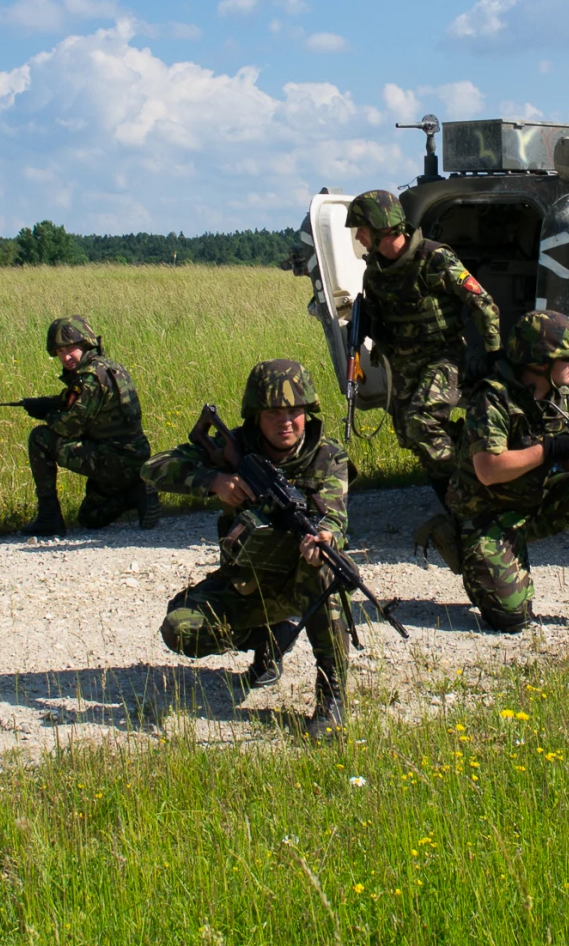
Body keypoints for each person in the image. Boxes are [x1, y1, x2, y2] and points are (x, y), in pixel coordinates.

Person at [146, 358, 353, 739]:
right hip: (246, 582)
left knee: (326, 567)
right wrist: (215, 481)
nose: (286, 421)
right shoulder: (234, 448)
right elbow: (154, 467)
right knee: (180, 629)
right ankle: (271, 637)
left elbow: (335, 516)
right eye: (274, 412)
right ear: (255, 415)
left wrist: (324, 538)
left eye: (295, 411)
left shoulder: (328, 457)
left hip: (300, 581)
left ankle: (331, 697)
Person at [448, 309, 569, 634]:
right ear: (539, 361)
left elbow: (566, 458)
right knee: (511, 619)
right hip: (489, 514)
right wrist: (549, 449)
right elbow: (489, 470)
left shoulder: (559, 398)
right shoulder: (492, 399)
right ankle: (476, 565)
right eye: (567, 358)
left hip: (534, 502)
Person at [343, 188, 500, 508]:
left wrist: (494, 354)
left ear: (381, 227)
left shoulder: (434, 258)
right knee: (409, 433)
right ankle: (466, 483)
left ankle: (465, 500)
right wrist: (360, 330)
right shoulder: (375, 269)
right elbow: (376, 312)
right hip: (402, 362)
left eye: (361, 229)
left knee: (421, 422)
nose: (358, 237)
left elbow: (482, 303)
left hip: (442, 357)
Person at [26, 316, 157, 535]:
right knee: (90, 517)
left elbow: (69, 428)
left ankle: (48, 516)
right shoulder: (109, 367)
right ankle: (135, 493)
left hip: (114, 459)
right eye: (60, 352)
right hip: (132, 457)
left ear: (86, 345)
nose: (66, 357)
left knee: (40, 438)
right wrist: (54, 402)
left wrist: (46, 414)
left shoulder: (90, 378)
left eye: (71, 349)